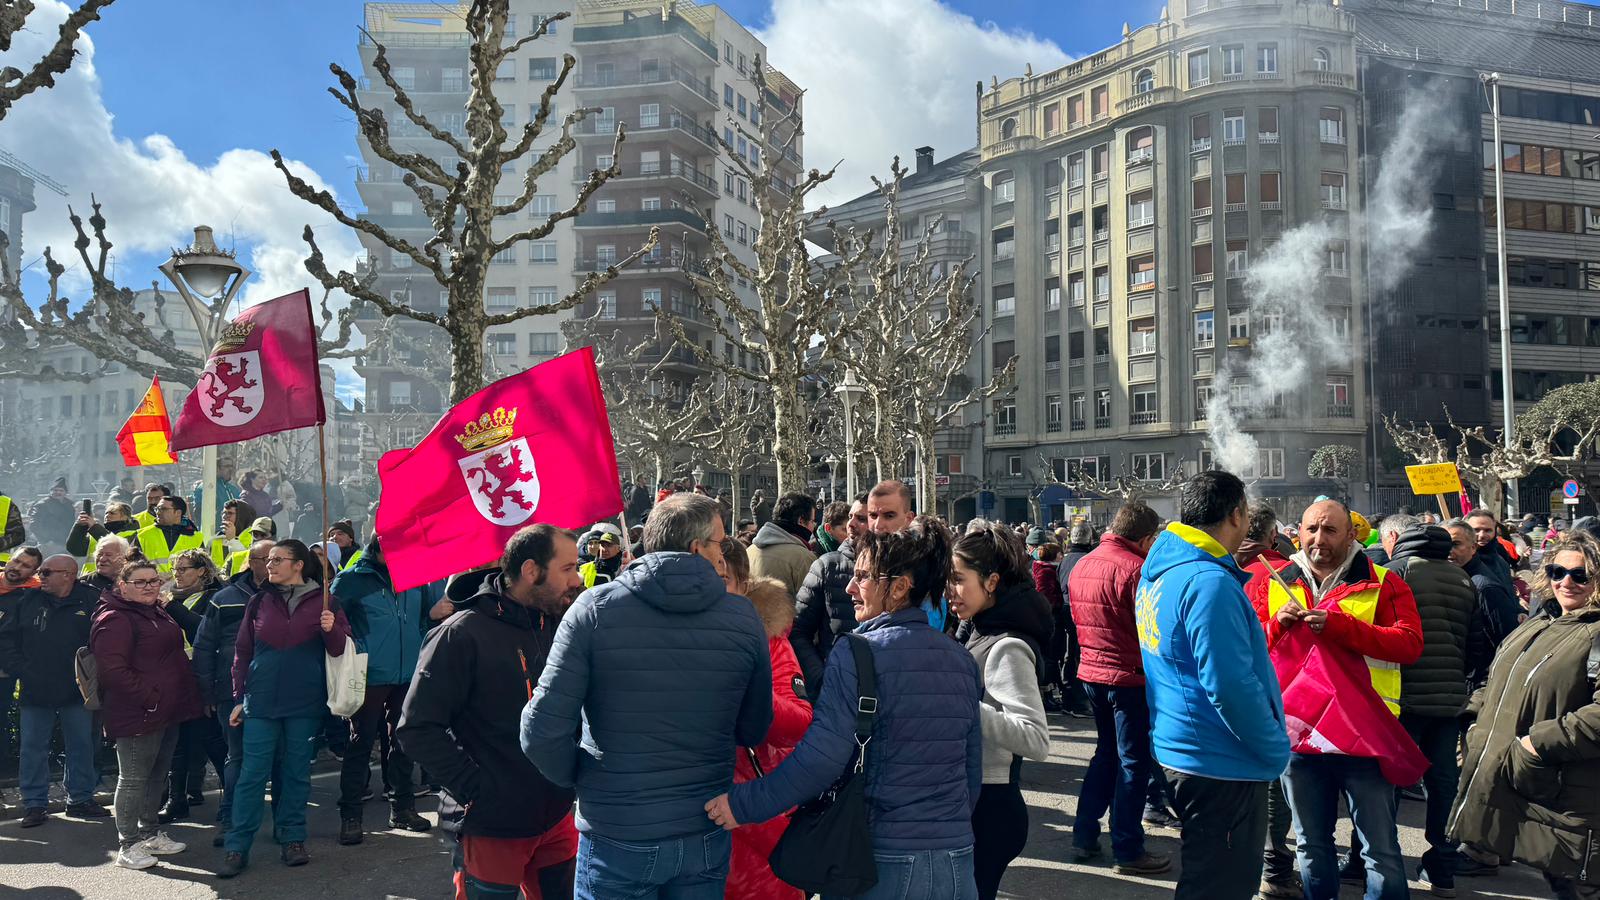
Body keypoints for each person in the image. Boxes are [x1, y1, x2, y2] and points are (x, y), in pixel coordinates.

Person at [706, 515, 984, 900]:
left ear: (900, 588)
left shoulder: (857, 652)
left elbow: (821, 759)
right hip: (956, 861)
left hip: (879, 860)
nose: (850, 586)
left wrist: (741, 804)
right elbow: (970, 772)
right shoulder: (961, 660)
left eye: (864, 577)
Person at [521, 492, 772, 900]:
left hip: (618, 829)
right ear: (695, 548)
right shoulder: (742, 618)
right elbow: (753, 726)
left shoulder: (594, 609)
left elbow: (541, 729)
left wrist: (588, 781)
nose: (726, 556)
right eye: (721, 544)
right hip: (702, 827)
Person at [1244, 500, 1423, 900]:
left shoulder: (1385, 581)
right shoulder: (1274, 580)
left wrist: (1344, 627)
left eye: (1329, 530)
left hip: (1365, 733)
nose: (1318, 540)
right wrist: (1276, 626)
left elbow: (1410, 645)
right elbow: (1248, 646)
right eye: (1310, 530)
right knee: (1310, 844)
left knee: (1380, 848)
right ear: (1298, 533)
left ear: (1351, 535)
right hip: (1300, 735)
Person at [396, 525, 583, 899]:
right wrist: (479, 790)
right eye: (568, 568)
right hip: (493, 823)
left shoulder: (561, 624)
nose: (578, 579)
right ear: (531, 571)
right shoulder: (461, 634)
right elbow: (417, 729)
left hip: (558, 814)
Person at [1137, 471, 1290, 900]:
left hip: (1183, 748)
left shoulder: (1162, 570)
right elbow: (1229, 685)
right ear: (1237, 514)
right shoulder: (1208, 582)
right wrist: (1274, 748)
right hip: (1220, 761)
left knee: (1205, 876)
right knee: (1220, 886)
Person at [1449, 532, 1600, 900]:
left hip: (1567, 789)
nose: (1567, 581)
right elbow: (1501, 679)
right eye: (1557, 570)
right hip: (1526, 781)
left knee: (1575, 882)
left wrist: (1536, 744)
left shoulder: (1594, 632)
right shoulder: (1540, 622)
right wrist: (1472, 721)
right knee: (1555, 875)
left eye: (1580, 575)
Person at [218, 539, 352, 878]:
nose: (269, 564)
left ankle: (292, 838)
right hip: (260, 702)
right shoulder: (259, 601)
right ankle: (237, 845)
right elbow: (242, 653)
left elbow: (341, 650)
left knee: (295, 773)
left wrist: (330, 628)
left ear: (299, 564)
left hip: (305, 703)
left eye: (278, 559)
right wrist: (238, 698)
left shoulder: (326, 602)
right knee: (252, 775)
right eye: (269, 559)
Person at [1360, 514, 1475, 896]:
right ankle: (1442, 867)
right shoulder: (1461, 578)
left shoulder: (1394, 573)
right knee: (1443, 782)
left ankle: (1374, 860)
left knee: (1386, 784)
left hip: (1402, 699)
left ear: (1399, 540)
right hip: (1448, 700)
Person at [948, 524, 1053, 899]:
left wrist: (962, 706)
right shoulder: (979, 627)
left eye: (959, 580)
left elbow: (1036, 739)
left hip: (991, 806)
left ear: (991, 582)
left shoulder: (1006, 646)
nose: (951, 592)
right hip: (975, 800)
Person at [1067, 499, 1171, 875]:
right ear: (1146, 538)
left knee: (1106, 755)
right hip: (1128, 677)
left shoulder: (1084, 563)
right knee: (1133, 762)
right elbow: (1150, 630)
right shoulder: (1137, 570)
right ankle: (1127, 848)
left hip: (1092, 673)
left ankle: (1084, 832)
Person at [91, 559, 205, 869]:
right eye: (140, 582)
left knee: (157, 775)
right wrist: (150, 698)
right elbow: (112, 670)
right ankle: (128, 844)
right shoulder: (115, 618)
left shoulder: (156, 611)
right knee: (132, 779)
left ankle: (150, 833)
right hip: (138, 711)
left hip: (166, 710)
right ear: (122, 586)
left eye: (154, 581)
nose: (149, 586)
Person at [717, 538, 812, 900]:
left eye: (723, 580)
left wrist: (748, 685)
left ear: (744, 585)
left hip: (755, 812)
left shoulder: (770, 640)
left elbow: (800, 722)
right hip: (688, 816)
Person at [331, 537, 434, 843]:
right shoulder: (350, 580)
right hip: (368, 674)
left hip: (407, 673)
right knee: (360, 742)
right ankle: (350, 815)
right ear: (377, 547)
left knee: (403, 741)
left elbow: (424, 620)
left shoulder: (415, 577)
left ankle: (402, 807)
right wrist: (359, 648)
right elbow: (337, 624)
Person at [0, 554, 107, 827]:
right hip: (36, 688)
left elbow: (105, 637)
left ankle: (80, 799)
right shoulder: (28, 600)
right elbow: (7, 638)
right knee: (33, 748)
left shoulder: (91, 600)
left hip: (78, 690)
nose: (40, 576)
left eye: (47, 572)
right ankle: (34, 805)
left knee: (81, 745)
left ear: (68, 575)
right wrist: (21, 669)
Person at [192, 538, 272, 847]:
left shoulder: (293, 596)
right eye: (262, 558)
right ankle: (230, 818)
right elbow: (204, 646)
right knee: (236, 755)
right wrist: (206, 692)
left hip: (278, 691)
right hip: (232, 692)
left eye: (274, 558)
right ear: (250, 563)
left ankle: (284, 823)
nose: (269, 564)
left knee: (278, 758)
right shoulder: (225, 598)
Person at [157, 549, 228, 824]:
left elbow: (202, 630)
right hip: (177, 679)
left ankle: (233, 796)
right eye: (175, 569)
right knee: (178, 743)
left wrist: (172, 607)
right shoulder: (170, 599)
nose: (178, 574)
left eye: (184, 568)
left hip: (203, 679)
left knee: (213, 741)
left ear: (202, 571)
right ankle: (177, 800)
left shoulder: (214, 597)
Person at [790, 491, 870, 692]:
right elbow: (798, 631)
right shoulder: (827, 566)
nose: (851, 524)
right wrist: (821, 677)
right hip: (835, 688)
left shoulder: (902, 569)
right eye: (850, 517)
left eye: (861, 519)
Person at [1053, 521, 1096, 718]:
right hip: (1081, 612)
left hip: (1065, 610)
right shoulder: (1088, 559)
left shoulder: (1065, 560)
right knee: (1077, 656)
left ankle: (1070, 696)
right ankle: (1077, 701)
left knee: (1070, 655)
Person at [747, 491, 817, 596]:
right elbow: (811, 605)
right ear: (801, 521)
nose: (814, 526)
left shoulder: (748, 552)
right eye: (812, 521)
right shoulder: (803, 558)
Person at [1029, 538, 1065, 711]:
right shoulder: (1046, 572)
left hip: (1048, 619)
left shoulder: (1044, 569)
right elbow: (1045, 598)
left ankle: (1049, 693)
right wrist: (1059, 602)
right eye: (1060, 554)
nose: (1063, 556)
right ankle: (1047, 695)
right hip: (1048, 620)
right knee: (1049, 659)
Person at [134, 495, 204, 573]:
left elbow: (203, 568)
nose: (158, 512)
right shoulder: (142, 535)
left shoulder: (196, 537)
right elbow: (133, 565)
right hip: (152, 584)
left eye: (163, 509)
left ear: (178, 513)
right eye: (157, 509)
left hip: (185, 584)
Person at [28, 478, 76, 554]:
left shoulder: (70, 505)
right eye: (55, 490)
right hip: (48, 545)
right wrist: (45, 541)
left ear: (65, 492)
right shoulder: (42, 504)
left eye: (61, 490)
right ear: (51, 491)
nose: (58, 492)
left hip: (66, 544)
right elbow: (34, 525)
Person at [576, 523, 624, 588]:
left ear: (618, 548)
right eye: (602, 545)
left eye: (609, 546)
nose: (605, 549)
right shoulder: (586, 567)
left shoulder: (624, 566)